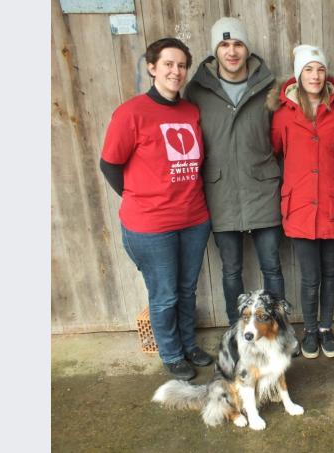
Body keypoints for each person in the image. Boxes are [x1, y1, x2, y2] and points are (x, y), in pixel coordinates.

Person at [100, 38, 213, 381]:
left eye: (181, 65)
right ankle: (172, 352)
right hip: (150, 226)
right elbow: (109, 165)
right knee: (164, 294)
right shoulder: (131, 113)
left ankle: (189, 343)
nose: (175, 72)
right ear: (152, 67)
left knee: (186, 289)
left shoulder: (190, 110)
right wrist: (141, 197)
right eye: (168, 64)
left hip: (194, 218)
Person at [184, 18, 284, 326]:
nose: (231, 51)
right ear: (215, 50)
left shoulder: (269, 87)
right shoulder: (197, 91)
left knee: (272, 267)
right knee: (231, 269)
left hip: (262, 190)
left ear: (246, 49)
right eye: (224, 45)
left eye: (237, 44)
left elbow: (281, 137)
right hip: (221, 192)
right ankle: (236, 331)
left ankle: (278, 329)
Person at [269, 44, 334, 359]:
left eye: (320, 69)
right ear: (298, 74)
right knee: (309, 276)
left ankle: (325, 327)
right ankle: (309, 329)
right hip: (299, 208)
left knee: (330, 273)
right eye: (308, 69)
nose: (315, 75)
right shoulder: (283, 116)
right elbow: (278, 154)